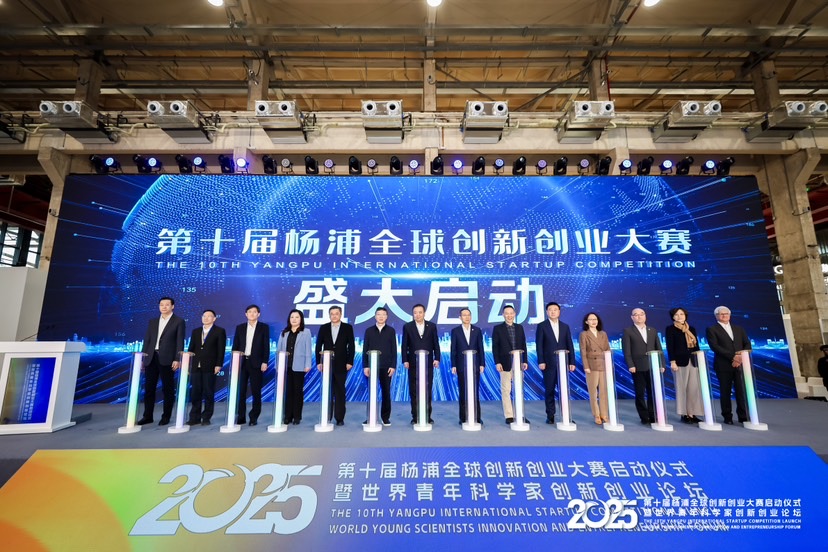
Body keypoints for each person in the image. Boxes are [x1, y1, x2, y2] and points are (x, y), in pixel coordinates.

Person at [139, 296, 185, 426]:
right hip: (151, 358)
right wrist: (143, 358)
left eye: (167, 304)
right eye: (161, 305)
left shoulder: (179, 321)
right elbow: (147, 340)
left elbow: (179, 341)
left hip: (167, 359)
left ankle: (166, 417)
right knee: (149, 389)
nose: (164, 307)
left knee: (168, 389)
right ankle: (147, 416)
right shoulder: (152, 322)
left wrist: (177, 359)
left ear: (172, 306)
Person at [705, 306, 751, 425]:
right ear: (716, 316)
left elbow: (747, 344)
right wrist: (733, 357)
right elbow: (715, 347)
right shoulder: (712, 329)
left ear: (730, 315)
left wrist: (739, 357)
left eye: (726, 313)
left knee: (741, 391)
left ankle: (743, 416)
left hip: (740, 364)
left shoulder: (738, 329)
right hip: (723, 365)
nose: (724, 315)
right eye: (721, 314)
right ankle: (727, 416)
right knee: (725, 392)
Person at [621, 308, 666, 425]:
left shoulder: (652, 330)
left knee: (653, 392)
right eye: (636, 315)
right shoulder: (628, 331)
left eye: (641, 314)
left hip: (653, 365)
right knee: (640, 393)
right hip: (637, 366)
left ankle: (653, 415)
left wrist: (661, 363)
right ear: (632, 317)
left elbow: (659, 348)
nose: (639, 316)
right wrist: (630, 364)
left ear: (645, 316)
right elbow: (626, 351)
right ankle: (644, 417)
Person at [536, 301, 576, 425]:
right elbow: (539, 345)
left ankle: (566, 415)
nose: (553, 312)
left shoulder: (565, 326)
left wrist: (572, 361)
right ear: (547, 312)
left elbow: (570, 344)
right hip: (548, 364)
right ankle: (550, 415)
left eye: (555, 309)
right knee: (550, 390)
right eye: (550, 310)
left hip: (563, 363)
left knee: (564, 390)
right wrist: (541, 361)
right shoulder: (542, 326)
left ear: (559, 312)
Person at [401, 303, 441, 424]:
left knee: (427, 389)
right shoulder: (408, 326)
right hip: (413, 363)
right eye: (415, 313)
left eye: (420, 312)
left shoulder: (432, 326)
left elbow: (436, 343)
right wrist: (405, 360)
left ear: (424, 313)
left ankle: (427, 416)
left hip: (428, 363)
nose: (417, 315)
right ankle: (415, 416)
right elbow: (404, 345)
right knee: (414, 390)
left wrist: (437, 358)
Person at [315, 306, 355, 426]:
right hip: (327, 364)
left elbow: (351, 346)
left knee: (340, 391)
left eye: (336, 313)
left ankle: (339, 418)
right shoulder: (324, 328)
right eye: (332, 314)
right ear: (329, 315)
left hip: (342, 364)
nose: (334, 316)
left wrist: (350, 362)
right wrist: (318, 362)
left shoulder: (347, 328)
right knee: (327, 391)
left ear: (340, 314)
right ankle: (327, 416)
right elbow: (318, 346)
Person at [231, 304, 270, 426]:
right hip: (242, 362)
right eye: (249, 312)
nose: (252, 314)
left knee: (256, 391)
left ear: (258, 314)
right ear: (246, 314)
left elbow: (266, 346)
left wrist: (265, 362)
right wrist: (235, 360)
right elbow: (235, 346)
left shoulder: (264, 327)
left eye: (254, 312)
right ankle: (241, 416)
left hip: (256, 363)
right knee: (241, 391)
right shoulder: (240, 327)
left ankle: (254, 417)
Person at [186, 309, 226, 426]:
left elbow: (221, 350)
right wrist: (188, 364)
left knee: (208, 392)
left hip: (210, 366)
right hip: (196, 366)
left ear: (214, 319)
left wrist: (218, 364)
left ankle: (206, 417)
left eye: (209, 316)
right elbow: (191, 348)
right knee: (195, 392)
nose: (206, 318)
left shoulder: (219, 331)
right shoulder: (196, 331)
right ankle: (194, 417)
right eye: (204, 316)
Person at [491, 304, 528, 425]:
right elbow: (495, 347)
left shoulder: (520, 328)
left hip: (518, 362)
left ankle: (520, 414)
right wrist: (497, 362)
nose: (509, 315)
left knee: (519, 390)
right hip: (504, 362)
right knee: (506, 389)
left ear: (515, 314)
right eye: (507, 313)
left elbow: (523, 345)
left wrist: (525, 360)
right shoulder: (498, 328)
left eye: (511, 313)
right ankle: (509, 415)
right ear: (503, 315)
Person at [665, 307, 703, 424]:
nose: (679, 316)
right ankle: (684, 414)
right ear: (673, 317)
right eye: (676, 314)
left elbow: (696, 346)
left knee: (694, 389)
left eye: (682, 314)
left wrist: (699, 360)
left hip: (693, 361)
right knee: (682, 389)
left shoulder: (691, 329)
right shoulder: (670, 329)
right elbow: (670, 347)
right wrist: (672, 361)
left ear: (685, 315)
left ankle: (693, 413)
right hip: (680, 362)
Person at [450, 307, 485, 425]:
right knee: (463, 391)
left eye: (468, 315)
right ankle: (463, 417)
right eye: (464, 315)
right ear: (460, 317)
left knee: (475, 391)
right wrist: (453, 364)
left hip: (475, 365)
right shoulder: (455, 331)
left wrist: (482, 363)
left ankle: (477, 416)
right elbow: (453, 349)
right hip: (461, 365)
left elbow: (480, 348)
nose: (467, 317)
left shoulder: (477, 330)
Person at [362, 307, 397, 426]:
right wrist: (365, 366)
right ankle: (370, 417)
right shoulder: (369, 331)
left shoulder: (391, 331)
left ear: (386, 317)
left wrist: (393, 366)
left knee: (386, 392)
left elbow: (394, 349)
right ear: (375, 316)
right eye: (378, 314)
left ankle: (385, 417)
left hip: (386, 366)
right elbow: (365, 349)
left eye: (383, 314)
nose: (381, 316)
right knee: (371, 392)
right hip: (372, 366)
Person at [278, 309, 313, 425]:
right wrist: (278, 365)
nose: (294, 319)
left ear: (301, 319)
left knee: (298, 391)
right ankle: (287, 416)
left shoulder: (306, 332)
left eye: (297, 317)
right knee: (288, 392)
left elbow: (308, 349)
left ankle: (297, 416)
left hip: (299, 366)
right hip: (286, 366)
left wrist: (308, 364)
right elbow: (279, 350)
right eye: (292, 317)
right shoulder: (284, 332)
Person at [579, 312, 611, 425]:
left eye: (595, 319)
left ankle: (604, 414)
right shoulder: (584, 334)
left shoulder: (603, 334)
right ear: (586, 322)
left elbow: (607, 349)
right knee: (593, 392)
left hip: (603, 364)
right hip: (592, 365)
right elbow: (583, 351)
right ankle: (596, 415)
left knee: (603, 391)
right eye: (591, 319)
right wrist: (586, 366)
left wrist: (609, 364)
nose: (593, 321)